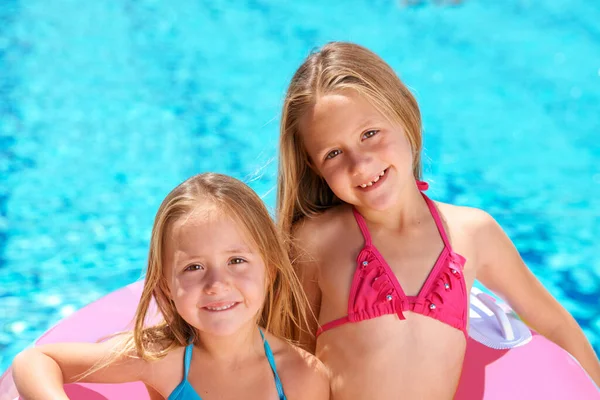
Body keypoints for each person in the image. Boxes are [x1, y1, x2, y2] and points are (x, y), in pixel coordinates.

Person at [276, 41, 600, 399]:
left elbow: (554, 322)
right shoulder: (317, 239)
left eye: (370, 134)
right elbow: (286, 357)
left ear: (404, 115)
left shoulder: (473, 232)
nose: (361, 164)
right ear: (313, 167)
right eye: (333, 153)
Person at [12, 173, 329, 400]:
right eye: (194, 268)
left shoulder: (300, 377)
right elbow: (35, 360)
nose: (216, 284)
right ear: (166, 288)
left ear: (270, 270)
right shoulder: (163, 357)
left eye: (236, 261)